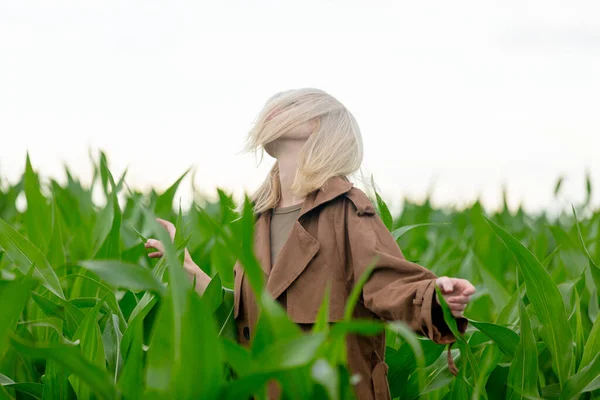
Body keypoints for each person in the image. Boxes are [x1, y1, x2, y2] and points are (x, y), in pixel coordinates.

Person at [144, 88, 475, 400]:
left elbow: (389, 284)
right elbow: (253, 315)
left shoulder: (346, 211)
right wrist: (187, 269)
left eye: (291, 106)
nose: (274, 109)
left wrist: (437, 298)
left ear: (317, 126)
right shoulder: (259, 220)